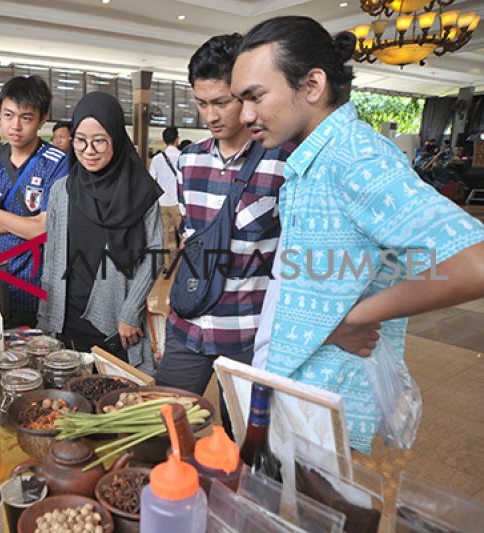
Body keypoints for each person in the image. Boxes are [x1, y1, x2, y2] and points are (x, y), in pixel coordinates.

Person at [232, 16, 484, 453]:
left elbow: (472, 265)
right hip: (299, 385)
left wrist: (352, 319)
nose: (244, 115)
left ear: (312, 85)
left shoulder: (355, 158)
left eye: (255, 97)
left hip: (328, 400)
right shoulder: (316, 158)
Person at [153, 34, 291, 440]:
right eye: (201, 103)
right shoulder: (190, 159)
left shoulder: (282, 162)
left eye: (221, 102)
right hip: (188, 326)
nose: (210, 115)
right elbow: (189, 238)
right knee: (161, 430)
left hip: (245, 335)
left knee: (242, 443)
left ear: (245, 97)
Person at [37, 92, 163, 374]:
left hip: (116, 322)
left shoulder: (140, 191)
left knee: (114, 402)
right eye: (80, 140)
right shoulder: (62, 190)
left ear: (116, 139)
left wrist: (131, 312)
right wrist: (46, 314)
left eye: (99, 141)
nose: (88, 150)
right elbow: (52, 254)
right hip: (66, 318)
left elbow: (155, 255)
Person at [0, 75, 67, 327]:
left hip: (38, 280)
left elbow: (44, 229)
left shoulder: (57, 163)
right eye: (8, 115)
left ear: (43, 119)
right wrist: (28, 224)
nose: (14, 126)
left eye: (26, 118)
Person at [148, 125, 182, 259]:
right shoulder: (182, 157)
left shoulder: (156, 159)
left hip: (162, 203)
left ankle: (166, 265)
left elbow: (151, 181)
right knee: (183, 236)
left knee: (164, 237)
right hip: (178, 203)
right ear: (177, 139)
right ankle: (183, 264)